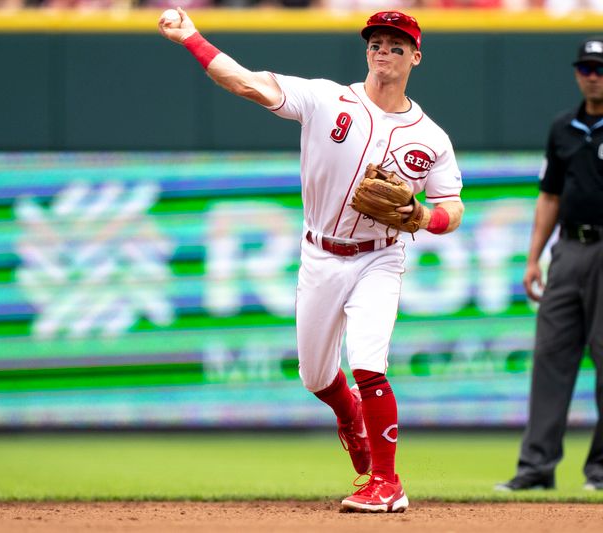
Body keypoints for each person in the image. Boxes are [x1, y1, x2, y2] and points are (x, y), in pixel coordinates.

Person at [159, 8, 464, 512]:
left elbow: (453, 209)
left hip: (380, 257)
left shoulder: (431, 137)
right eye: (376, 41)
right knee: (316, 376)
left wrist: (423, 215)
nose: (383, 49)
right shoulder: (327, 98)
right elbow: (245, 83)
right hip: (320, 254)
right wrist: (191, 37)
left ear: (416, 55)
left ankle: (387, 484)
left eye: (396, 43)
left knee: (369, 360)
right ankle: (349, 418)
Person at [496, 37, 603, 493]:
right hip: (569, 251)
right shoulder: (563, 127)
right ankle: (536, 467)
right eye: (585, 67)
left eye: (599, 67)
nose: (592, 75)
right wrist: (533, 257)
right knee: (550, 357)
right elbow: (549, 196)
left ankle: (600, 471)